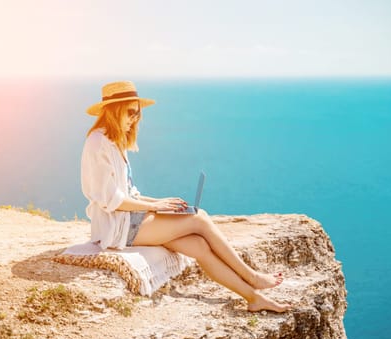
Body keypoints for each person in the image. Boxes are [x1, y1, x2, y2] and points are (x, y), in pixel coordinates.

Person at [81, 81, 293, 313]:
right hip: (117, 227)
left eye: (138, 113)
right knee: (199, 218)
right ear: (115, 110)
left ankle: (253, 298)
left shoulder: (114, 140)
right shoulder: (98, 142)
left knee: (199, 246)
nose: (135, 119)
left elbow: (129, 193)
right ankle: (252, 277)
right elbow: (111, 199)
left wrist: (161, 204)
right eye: (131, 112)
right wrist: (155, 207)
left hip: (130, 220)